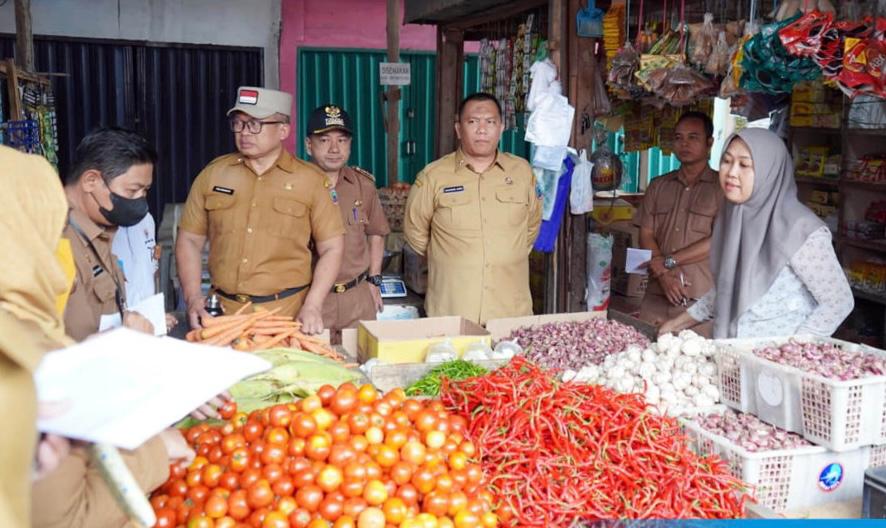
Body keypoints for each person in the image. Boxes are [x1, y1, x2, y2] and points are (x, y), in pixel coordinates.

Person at [0, 145, 190, 528]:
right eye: (51, 229)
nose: (57, 248)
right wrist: (156, 452)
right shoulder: (17, 358)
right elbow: (64, 517)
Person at [176, 87, 345, 335]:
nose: (244, 132)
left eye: (255, 124)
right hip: (221, 316)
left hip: (285, 316)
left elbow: (332, 248)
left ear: (283, 130)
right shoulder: (213, 174)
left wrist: (313, 305)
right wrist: (192, 298)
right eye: (239, 123)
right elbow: (189, 240)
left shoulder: (311, 181)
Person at [659, 128, 854, 338]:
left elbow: (838, 302)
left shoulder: (801, 229)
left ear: (770, 172)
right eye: (727, 161)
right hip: (731, 353)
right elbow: (729, 289)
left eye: (744, 165)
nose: (731, 172)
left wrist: (791, 350)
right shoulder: (735, 217)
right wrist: (677, 324)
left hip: (774, 356)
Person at [404, 93, 542, 324]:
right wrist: (448, 257)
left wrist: (506, 253)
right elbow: (414, 231)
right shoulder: (433, 176)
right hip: (452, 310)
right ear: (459, 129)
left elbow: (531, 226)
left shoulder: (522, 172)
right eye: (473, 122)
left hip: (510, 311)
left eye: (490, 122)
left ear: (501, 128)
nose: (482, 129)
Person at [304, 104, 390, 342]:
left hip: (358, 297)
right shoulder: (296, 186)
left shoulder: (363, 185)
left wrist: (374, 280)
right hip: (312, 299)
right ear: (309, 145)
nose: (334, 149)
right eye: (324, 140)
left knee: (363, 359)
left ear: (350, 145)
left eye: (341, 141)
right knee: (315, 360)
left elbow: (376, 233)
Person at [62, 127, 157, 342]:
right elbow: (56, 347)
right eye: (132, 191)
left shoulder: (102, 228)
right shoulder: (58, 241)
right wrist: (125, 339)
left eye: (145, 191)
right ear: (91, 181)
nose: (140, 201)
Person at [635, 111, 723, 337]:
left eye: (693, 137)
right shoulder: (658, 186)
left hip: (699, 304)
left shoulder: (722, 189)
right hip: (656, 296)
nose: (684, 144)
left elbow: (718, 241)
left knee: (694, 358)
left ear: (709, 143)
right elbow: (646, 233)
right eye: (678, 137)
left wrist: (668, 262)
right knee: (643, 351)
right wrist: (663, 275)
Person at [113, 212, 178, 332]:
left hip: (145, 326)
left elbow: (151, 269)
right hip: (113, 331)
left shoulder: (146, 219)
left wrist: (153, 316)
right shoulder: (95, 228)